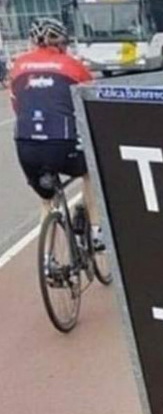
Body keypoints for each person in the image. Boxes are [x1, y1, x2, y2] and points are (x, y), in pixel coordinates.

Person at [10, 18, 103, 246]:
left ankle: (46, 256)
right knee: (90, 172)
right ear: (62, 43)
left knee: (47, 200)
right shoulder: (73, 65)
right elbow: (91, 103)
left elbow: (17, 106)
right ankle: (96, 231)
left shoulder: (18, 65)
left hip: (26, 144)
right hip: (62, 143)